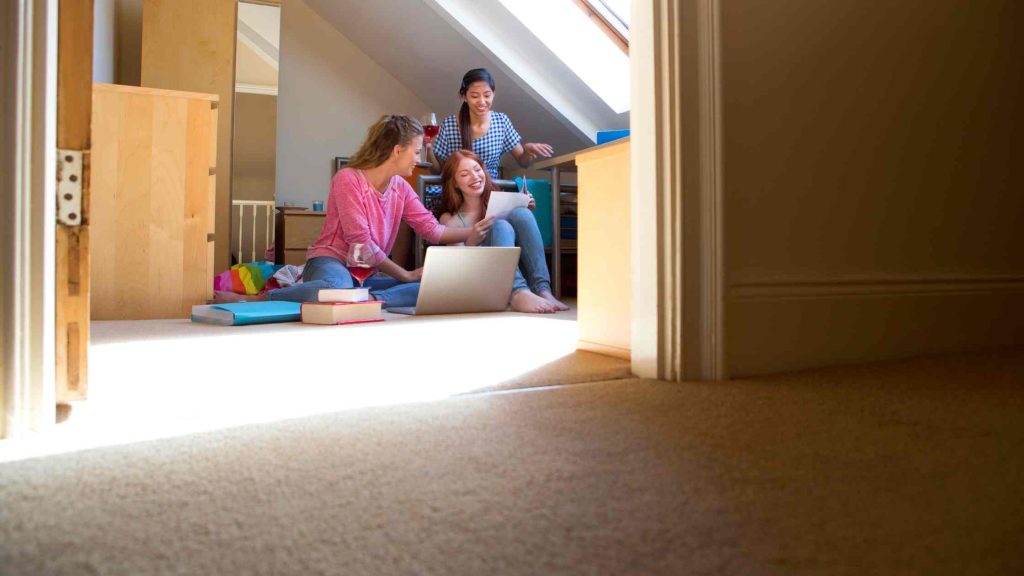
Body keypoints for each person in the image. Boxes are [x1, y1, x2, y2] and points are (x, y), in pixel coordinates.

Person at [213, 115, 484, 307]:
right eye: (415, 152)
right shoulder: (348, 179)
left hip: (364, 274)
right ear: (397, 150)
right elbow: (362, 244)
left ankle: (365, 301)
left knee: (433, 287)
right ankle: (257, 300)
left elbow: (431, 230)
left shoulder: (401, 187)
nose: (419, 159)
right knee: (336, 287)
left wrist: (474, 230)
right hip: (331, 262)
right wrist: (404, 274)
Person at [438, 150, 569, 314]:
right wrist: (472, 240)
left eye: (477, 170)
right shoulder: (450, 218)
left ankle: (543, 290)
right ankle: (517, 293)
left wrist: (523, 205)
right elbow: (459, 270)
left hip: (511, 273)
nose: (475, 177)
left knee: (521, 214)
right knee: (500, 226)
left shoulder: (500, 201)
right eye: (465, 174)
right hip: (482, 282)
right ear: (455, 183)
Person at [426, 68, 554, 179]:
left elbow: (523, 163)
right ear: (464, 97)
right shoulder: (449, 125)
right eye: (475, 96)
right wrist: (429, 149)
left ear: (493, 94)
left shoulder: (501, 122)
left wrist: (527, 151)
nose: (482, 102)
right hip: (457, 191)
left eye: (487, 95)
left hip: (490, 191)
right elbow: (438, 171)